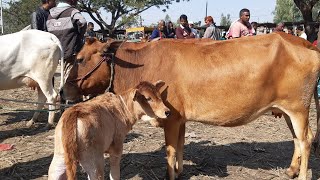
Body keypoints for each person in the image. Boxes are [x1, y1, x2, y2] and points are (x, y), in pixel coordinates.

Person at [46, 0, 87, 65]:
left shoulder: (50, 15)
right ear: (72, 1)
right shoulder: (73, 12)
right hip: (70, 53)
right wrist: (80, 35)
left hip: (54, 54)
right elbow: (83, 23)